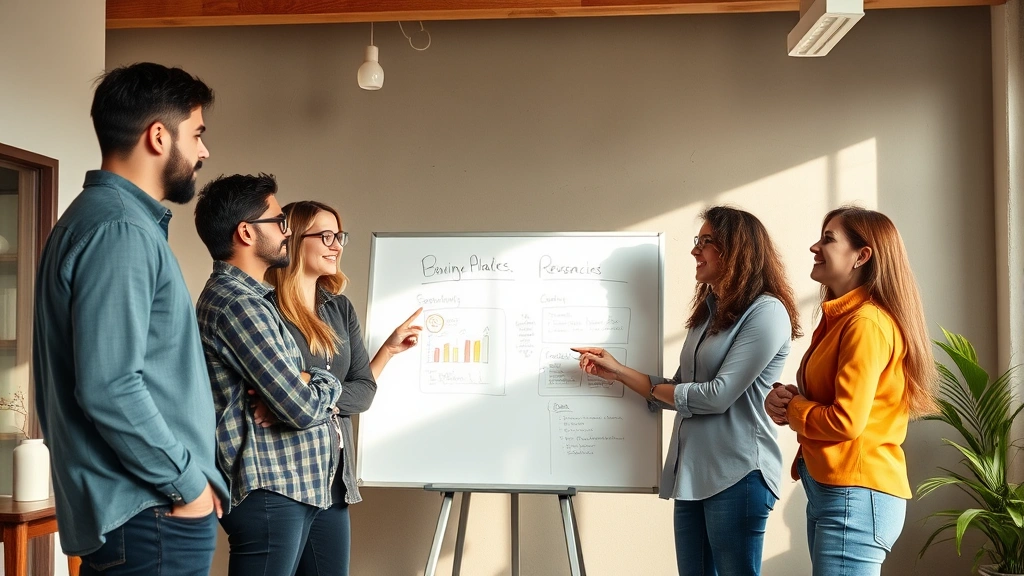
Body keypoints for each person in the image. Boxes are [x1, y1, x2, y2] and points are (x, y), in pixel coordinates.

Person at [32, 62, 227, 575]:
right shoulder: (120, 229)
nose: (204, 151)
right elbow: (110, 386)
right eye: (198, 133)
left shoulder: (98, 220)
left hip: (144, 515)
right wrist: (188, 485)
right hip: (152, 516)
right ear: (158, 136)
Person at [574, 206, 801, 576]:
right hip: (692, 476)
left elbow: (715, 396)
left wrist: (670, 392)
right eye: (698, 241)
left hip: (738, 475)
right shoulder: (708, 314)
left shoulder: (766, 312)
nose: (695, 251)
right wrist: (615, 371)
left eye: (706, 242)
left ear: (736, 249)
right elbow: (681, 388)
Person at [764, 206, 938, 576]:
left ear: (862, 255)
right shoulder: (842, 319)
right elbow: (837, 402)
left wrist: (795, 408)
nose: (815, 246)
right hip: (838, 493)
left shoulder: (866, 324)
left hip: (855, 497)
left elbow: (845, 421)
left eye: (828, 239)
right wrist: (788, 399)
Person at [258, 200, 422, 576]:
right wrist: (305, 395)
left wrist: (309, 389)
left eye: (339, 236)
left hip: (334, 482)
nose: (337, 245)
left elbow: (363, 391)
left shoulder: (339, 308)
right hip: (286, 477)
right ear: (296, 240)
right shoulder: (266, 311)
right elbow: (278, 396)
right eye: (326, 236)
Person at [193, 174, 345, 576]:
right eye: (279, 222)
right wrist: (321, 381)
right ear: (245, 232)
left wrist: (308, 379)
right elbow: (301, 408)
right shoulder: (237, 304)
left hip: (299, 484)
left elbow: (299, 394)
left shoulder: (253, 300)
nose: (287, 231)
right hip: (272, 489)